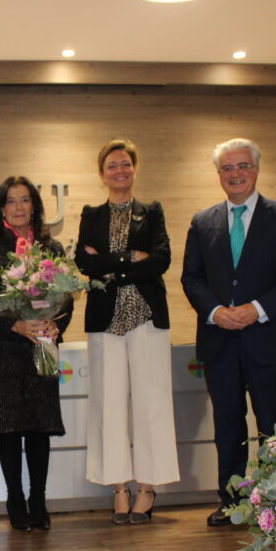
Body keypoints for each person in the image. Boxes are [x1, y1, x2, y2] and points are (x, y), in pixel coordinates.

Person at [180, 138, 276, 527]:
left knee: (272, 425)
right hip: (220, 342)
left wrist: (255, 310)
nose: (235, 174)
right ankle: (233, 501)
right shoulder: (202, 222)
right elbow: (192, 278)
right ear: (218, 175)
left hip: (269, 340)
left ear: (256, 169)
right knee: (228, 425)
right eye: (227, 168)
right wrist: (217, 311)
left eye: (242, 167)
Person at [75, 138, 179, 524]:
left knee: (152, 404)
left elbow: (162, 260)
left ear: (134, 169)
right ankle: (119, 486)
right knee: (109, 404)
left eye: (125, 164)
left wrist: (110, 264)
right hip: (106, 321)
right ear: (102, 174)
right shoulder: (92, 214)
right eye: (112, 166)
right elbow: (83, 264)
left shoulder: (152, 212)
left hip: (146, 318)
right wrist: (131, 259)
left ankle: (148, 487)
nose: (119, 171)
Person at [0, 176, 72, 531]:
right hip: (3, 349)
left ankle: (38, 498)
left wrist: (57, 324)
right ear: (1, 209)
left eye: (24, 200)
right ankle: (14, 497)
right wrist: (15, 324)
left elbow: (66, 297)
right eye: (10, 201)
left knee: (39, 427)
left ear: (35, 206)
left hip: (42, 345)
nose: (18, 207)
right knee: (9, 426)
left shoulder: (52, 247)